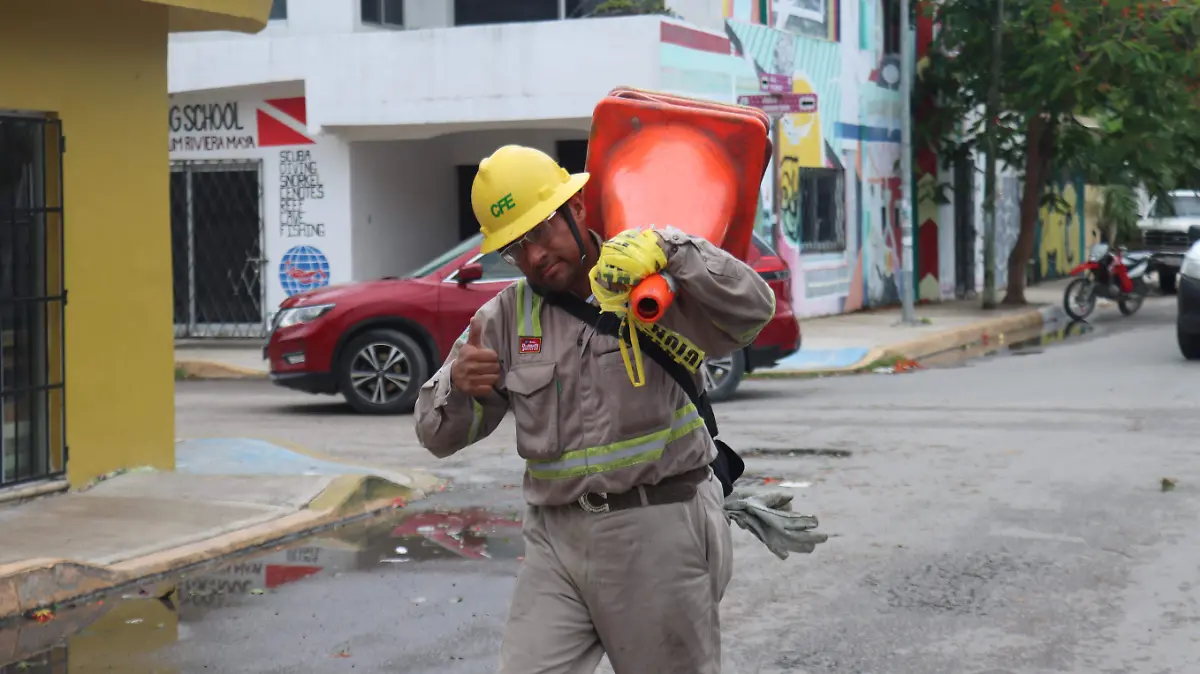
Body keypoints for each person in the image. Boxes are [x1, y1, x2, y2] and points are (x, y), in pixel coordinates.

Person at [414, 144, 776, 674]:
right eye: (515, 247)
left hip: (656, 528)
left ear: (576, 208)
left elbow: (753, 311)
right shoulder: (505, 319)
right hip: (555, 540)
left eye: (540, 231)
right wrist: (459, 384)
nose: (534, 255)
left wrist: (672, 249)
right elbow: (436, 435)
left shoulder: (652, 283)